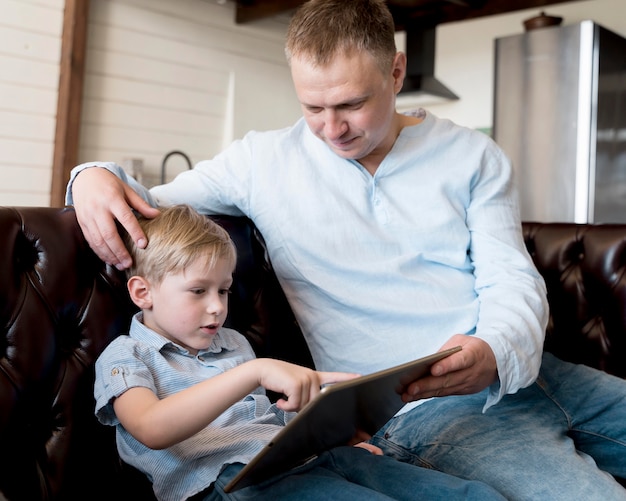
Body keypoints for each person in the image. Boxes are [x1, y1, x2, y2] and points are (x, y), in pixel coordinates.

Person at [70, 0, 626, 499]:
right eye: (312, 108)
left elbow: (511, 278)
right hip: (423, 409)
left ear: (397, 71)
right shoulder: (262, 163)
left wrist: (493, 351)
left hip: (533, 370)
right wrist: (91, 174)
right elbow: (142, 201)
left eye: (352, 104)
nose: (331, 129)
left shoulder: (472, 155)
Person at [94, 203, 505, 501]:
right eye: (199, 291)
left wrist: (325, 430)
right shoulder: (127, 357)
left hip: (298, 457)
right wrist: (252, 373)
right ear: (142, 293)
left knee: (473, 494)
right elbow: (151, 428)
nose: (218, 306)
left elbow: (265, 419)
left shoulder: (232, 344)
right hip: (232, 483)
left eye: (223, 290)